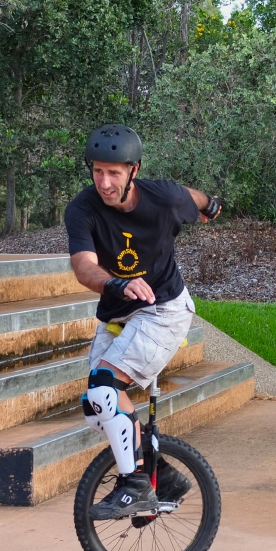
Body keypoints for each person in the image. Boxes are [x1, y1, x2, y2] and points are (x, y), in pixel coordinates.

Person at [64, 124, 221, 520]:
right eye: (98, 171)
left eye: (114, 173)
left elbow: (193, 197)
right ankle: (159, 473)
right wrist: (116, 282)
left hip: (164, 309)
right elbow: (84, 268)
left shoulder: (163, 198)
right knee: (94, 405)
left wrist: (211, 206)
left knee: (105, 387)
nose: (104, 182)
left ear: (134, 170)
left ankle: (134, 485)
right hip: (119, 309)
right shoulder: (82, 209)